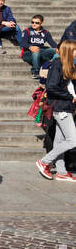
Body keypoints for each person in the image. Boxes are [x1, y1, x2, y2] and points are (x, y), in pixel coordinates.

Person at [36, 41, 76, 182]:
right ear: (68, 51)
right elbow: (51, 87)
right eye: (75, 50)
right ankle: (45, 161)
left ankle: (61, 172)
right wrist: (70, 97)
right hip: (61, 108)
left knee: (60, 141)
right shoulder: (58, 65)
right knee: (73, 140)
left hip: (66, 108)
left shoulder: (68, 66)